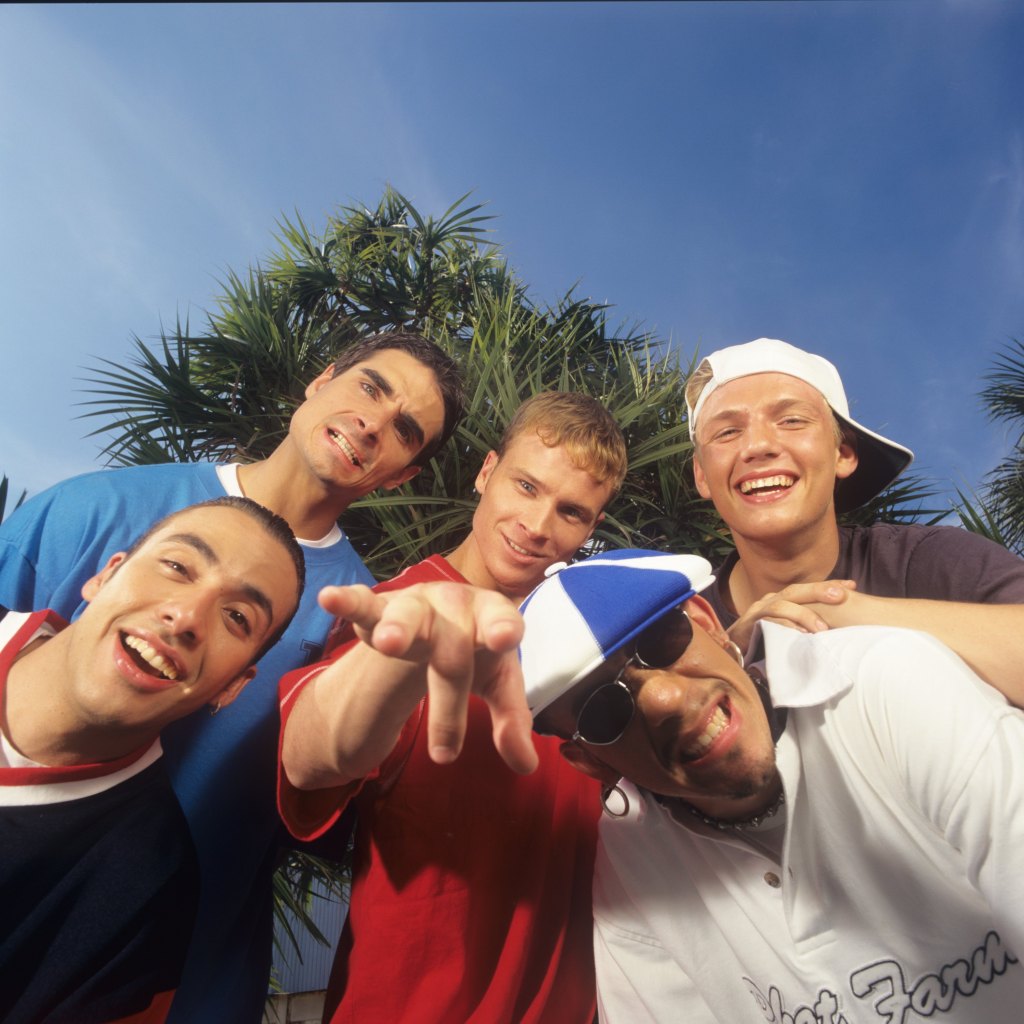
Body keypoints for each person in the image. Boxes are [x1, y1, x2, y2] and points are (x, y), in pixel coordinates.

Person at [0, 331, 465, 1023]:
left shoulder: (365, 636)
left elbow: (330, 811)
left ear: (400, 475)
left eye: (405, 429)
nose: (373, 423)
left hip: (187, 977)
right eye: (370, 386)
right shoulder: (88, 513)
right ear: (320, 380)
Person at [519, 548, 1024, 1023]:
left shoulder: (886, 682)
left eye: (659, 641)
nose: (668, 699)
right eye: (604, 710)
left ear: (709, 624)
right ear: (591, 763)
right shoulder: (632, 864)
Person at [277, 392, 628, 1023]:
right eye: (526, 485)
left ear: (590, 529)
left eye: (571, 511)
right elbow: (311, 758)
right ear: (487, 471)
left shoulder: (600, 646)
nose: (538, 524)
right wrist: (394, 663)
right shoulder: (397, 612)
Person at [0, 496, 304, 1024]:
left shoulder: (151, 897)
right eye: (178, 567)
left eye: (237, 617)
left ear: (232, 686)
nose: (185, 616)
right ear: (105, 575)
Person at [685, 337, 1024, 702]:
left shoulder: (929, 560)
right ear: (702, 474)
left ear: (842, 453)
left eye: (792, 420)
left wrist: (840, 611)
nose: (757, 446)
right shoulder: (682, 627)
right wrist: (729, 660)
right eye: (727, 432)